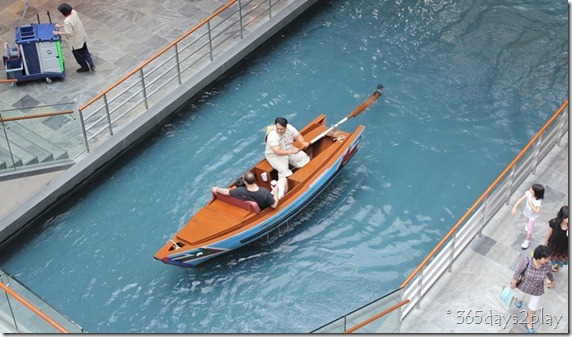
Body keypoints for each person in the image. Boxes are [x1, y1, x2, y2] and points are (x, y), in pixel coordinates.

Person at [510, 245, 555, 334]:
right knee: (520, 295)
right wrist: (514, 281)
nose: (547, 260)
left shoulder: (548, 264)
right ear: (538, 257)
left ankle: (529, 322)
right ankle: (519, 300)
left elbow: (549, 273)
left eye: (548, 258)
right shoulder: (527, 261)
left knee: (534, 307)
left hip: (537, 288)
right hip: (525, 284)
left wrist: (552, 282)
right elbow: (518, 271)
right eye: (545, 258)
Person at [264, 117, 310, 181]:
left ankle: (307, 175)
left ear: (286, 127)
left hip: (289, 148)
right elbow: (278, 151)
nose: (279, 131)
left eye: (282, 129)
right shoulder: (272, 136)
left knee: (303, 158)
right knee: (283, 170)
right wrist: (291, 152)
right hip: (275, 155)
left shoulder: (290, 128)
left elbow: (298, 136)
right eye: (278, 129)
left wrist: (303, 142)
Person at [53, 3, 95, 73]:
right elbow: (73, 23)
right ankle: (91, 63)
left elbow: (69, 32)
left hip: (75, 42)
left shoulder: (67, 21)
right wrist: (61, 26)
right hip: (82, 36)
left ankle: (85, 68)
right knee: (85, 50)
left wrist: (58, 33)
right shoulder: (74, 12)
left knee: (79, 55)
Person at [211, 171, 278, 210]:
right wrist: (275, 192)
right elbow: (274, 205)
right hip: (271, 203)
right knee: (283, 180)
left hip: (259, 208)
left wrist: (216, 189)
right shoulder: (264, 192)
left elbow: (226, 191)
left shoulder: (240, 191)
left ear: (245, 182)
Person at [511, 183, 544, 249]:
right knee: (527, 220)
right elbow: (521, 199)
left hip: (532, 216)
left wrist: (531, 205)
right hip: (526, 212)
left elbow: (537, 211)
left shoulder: (538, 201)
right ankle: (527, 223)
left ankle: (527, 240)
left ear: (535, 192)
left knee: (530, 228)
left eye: (532, 189)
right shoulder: (528, 193)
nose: (530, 189)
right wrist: (514, 207)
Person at [543, 205, 569, 272]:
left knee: (560, 259)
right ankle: (551, 265)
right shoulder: (554, 223)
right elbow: (549, 233)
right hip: (553, 245)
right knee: (551, 257)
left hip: (564, 247)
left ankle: (556, 266)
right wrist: (545, 242)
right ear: (563, 217)